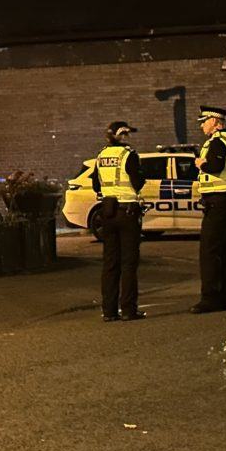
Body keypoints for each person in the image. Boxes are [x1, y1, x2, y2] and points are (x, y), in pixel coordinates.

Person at [189, 106, 226, 313]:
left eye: (204, 121)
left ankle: (210, 299)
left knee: (209, 251)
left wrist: (200, 163)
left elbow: (215, 167)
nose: (202, 125)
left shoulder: (216, 142)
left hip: (218, 201)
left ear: (215, 121)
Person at [90, 121, 146, 322]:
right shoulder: (129, 155)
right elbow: (138, 182)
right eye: (127, 134)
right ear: (123, 136)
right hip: (127, 212)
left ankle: (109, 311)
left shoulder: (101, 155)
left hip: (108, 213)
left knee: (110, 263)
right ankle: (129, 310)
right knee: (129, 263)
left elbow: (96, 183)